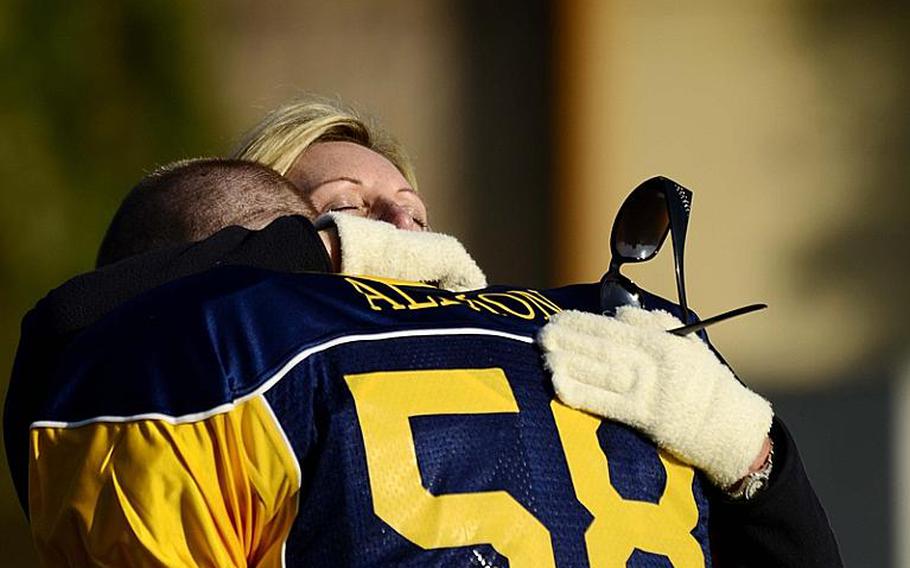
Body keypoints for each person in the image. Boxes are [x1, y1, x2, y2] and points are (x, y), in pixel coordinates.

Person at [3, 98, 841, 566]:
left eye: (414, 210)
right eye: (349, 208)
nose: (404, 228)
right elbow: (79, 330)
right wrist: (318, 254)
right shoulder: (225, 359)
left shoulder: (567, 355)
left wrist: (752, 457)